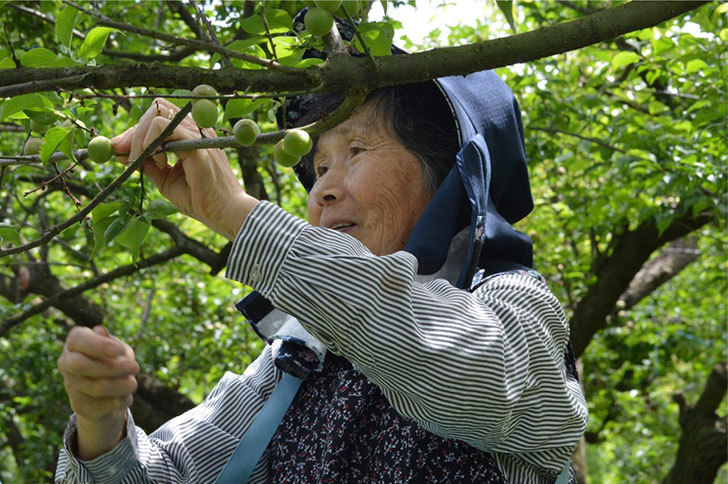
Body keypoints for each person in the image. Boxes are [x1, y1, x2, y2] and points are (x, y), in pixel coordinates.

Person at [55, 70, 588, 483]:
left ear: (449, 177)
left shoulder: (517, 309)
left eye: (356, 151)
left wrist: (240, 214)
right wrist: (101, 427)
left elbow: (464, 371)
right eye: (320, 166)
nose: (321, 191)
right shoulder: (296, 358)